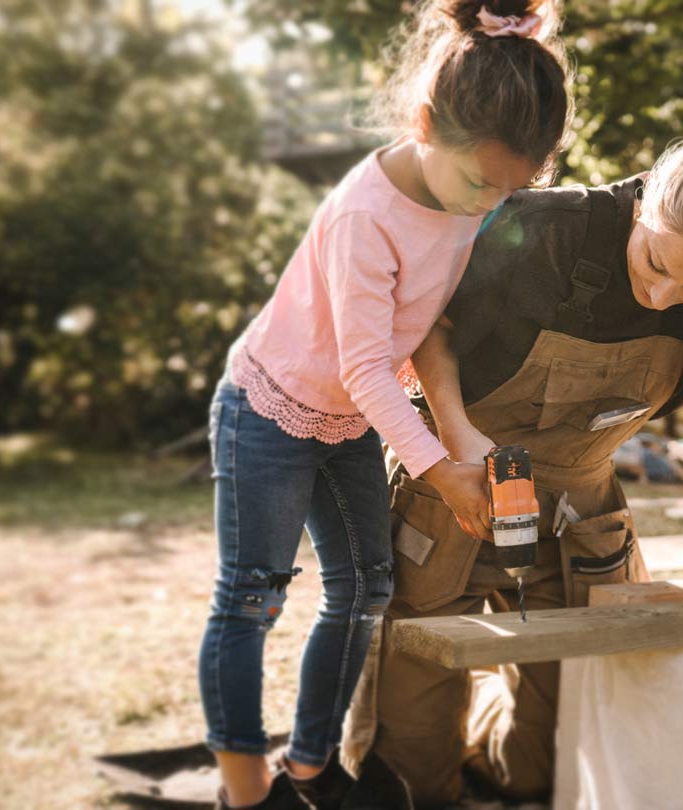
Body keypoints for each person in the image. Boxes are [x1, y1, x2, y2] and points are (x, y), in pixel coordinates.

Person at [342, 118, 683, 806]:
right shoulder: (544, 228)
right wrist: (456, 444)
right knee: (410, 763)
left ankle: (491, 742)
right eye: (656, 265)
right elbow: (435, 327)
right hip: (455, 487)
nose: (664, 298)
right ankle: (426, 760)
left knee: (555, 751)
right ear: (649, 201)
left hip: (583, 514)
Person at [197, 2, 569, 807]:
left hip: (348, 420)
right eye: (480, 181)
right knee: (254, 594)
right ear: (425, 121)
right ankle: (246, 788)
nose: (489, 204)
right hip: (270, 409)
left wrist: (459, 435)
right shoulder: (367, 216)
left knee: (365, 588)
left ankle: (311, 761)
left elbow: (429, 332)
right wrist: (442, 474)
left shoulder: (471, 196)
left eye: (512, 189)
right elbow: (367, 367)